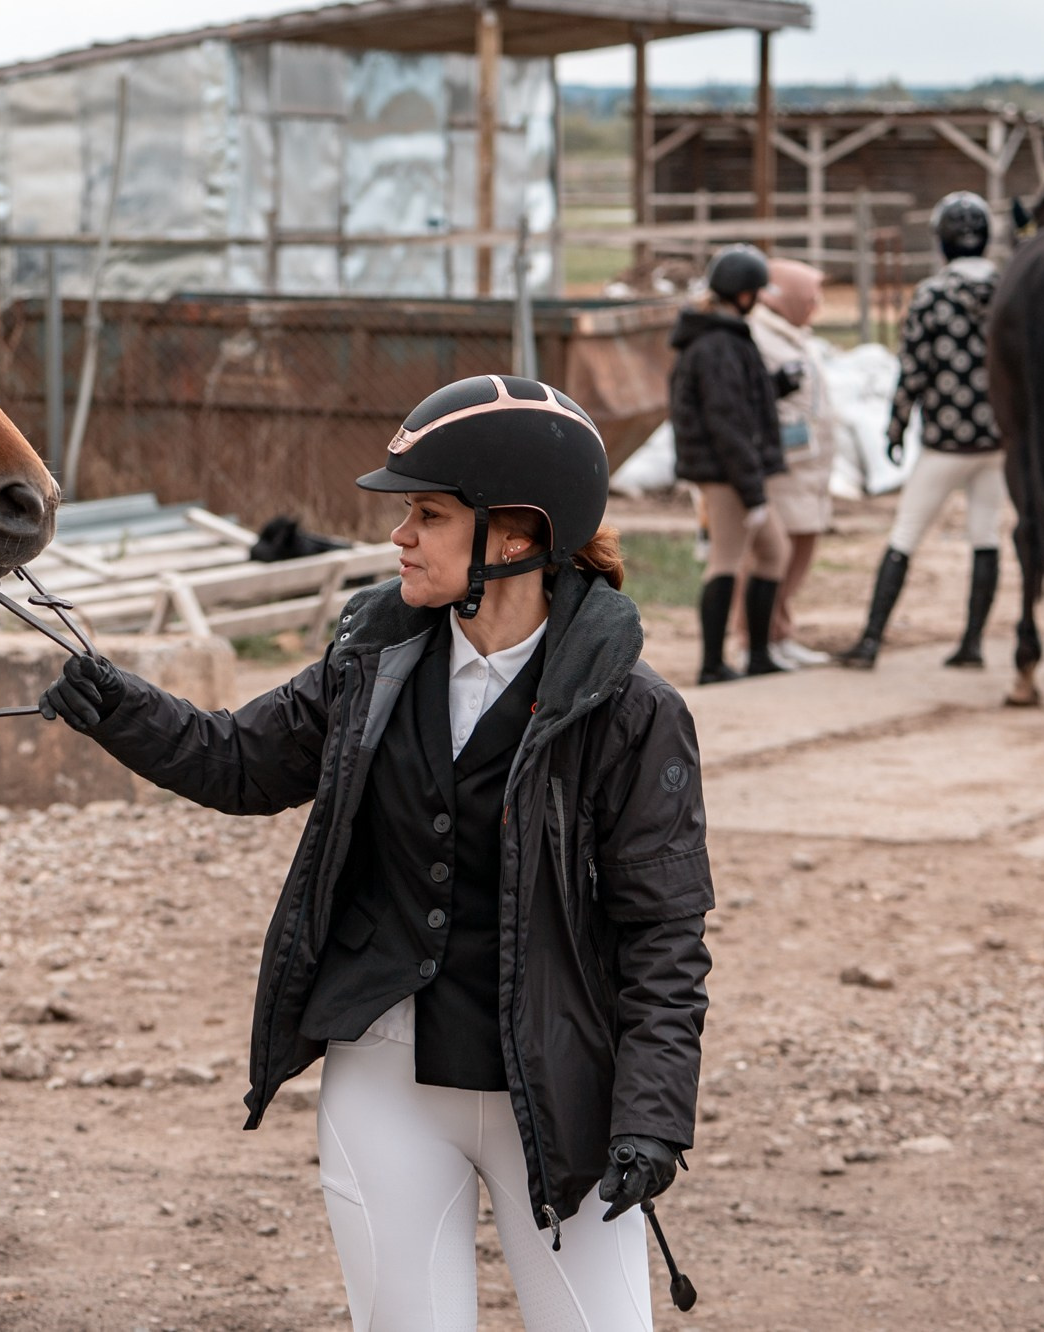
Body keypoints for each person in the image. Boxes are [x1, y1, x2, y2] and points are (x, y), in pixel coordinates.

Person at [40, 375, 714, 1331]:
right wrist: (119, 709)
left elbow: (663, 940)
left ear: (515, 534)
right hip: (384, 1083)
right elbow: (241, 764)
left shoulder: (638, 714)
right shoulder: (370, 660)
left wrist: (652, 1116)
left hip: (559, 1095)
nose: (398, 535)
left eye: (428, 514)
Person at [840, 191, 1005, 669]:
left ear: (943, 243)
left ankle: (870, 641)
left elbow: (912, 370)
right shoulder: (1009, 289)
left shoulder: (932, 295)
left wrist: (896, 428)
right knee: (986, 535)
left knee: (905, 534)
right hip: (996, 439)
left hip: (946, 442)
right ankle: (972, 644)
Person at [670, 244, 796, 684]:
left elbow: (738, 401)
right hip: (727, 473)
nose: (761, 298)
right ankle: (712, 663)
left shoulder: (723, 335)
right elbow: (728, 423)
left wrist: (776, 385)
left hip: (733, 469)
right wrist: (753, 491)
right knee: (727, 558)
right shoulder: (717, 344)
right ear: (743, 294)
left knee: (773, 553)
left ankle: (757, 654)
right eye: (757, 291)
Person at [745, 258, 840, 667]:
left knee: (802, 546)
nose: (815, 306)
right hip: (783, 467)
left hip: (809, 468)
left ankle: (781, 630)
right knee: (774, 554)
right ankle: (758, 636)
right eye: (809, 298)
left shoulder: (793, 335)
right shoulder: (760, 335)